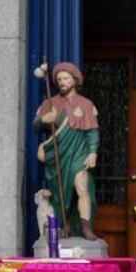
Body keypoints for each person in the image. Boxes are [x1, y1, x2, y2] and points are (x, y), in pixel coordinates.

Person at [33, 61, 100, 241]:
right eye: (59, 79)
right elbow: (36, 127)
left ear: (74, 80)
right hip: (58, 157)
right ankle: (63, 227)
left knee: (82, 186)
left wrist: (92, 152)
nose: (62, 82)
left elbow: (92, 131)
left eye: (66, 78)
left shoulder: (86, 105)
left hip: (78, 153)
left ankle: (85, 226)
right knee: (60, 194)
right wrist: (44, 119)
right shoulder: (50, 102)